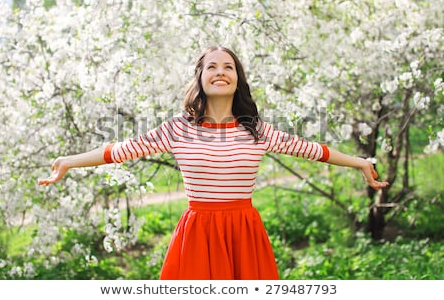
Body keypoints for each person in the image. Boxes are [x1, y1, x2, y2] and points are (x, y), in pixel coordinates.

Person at [38, 46, 389, 280]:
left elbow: (314, 150)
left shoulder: (257, 131)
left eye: (229, 67)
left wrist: (359, 162)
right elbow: (119, 150)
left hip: (244, 232)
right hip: (198, 233)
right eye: (212, 67)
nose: (221, 72)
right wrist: (68, 162)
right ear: (200, 78)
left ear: (238, 79)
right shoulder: (177, 129)